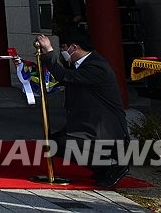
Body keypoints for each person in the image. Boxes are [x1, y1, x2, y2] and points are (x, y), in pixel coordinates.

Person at [36, 28, 130, 188]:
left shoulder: (96, 66)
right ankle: (102, 168)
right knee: (52, 143)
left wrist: (49, 52)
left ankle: (113, 165)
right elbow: (62, 77)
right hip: (88, 124)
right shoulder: (82, 64)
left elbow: (65, 76)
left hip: (106, 130)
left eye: (64, 48)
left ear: (74, 47)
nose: (63, 52)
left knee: (60, 144)